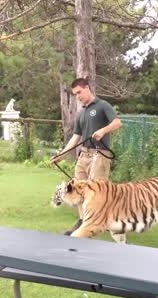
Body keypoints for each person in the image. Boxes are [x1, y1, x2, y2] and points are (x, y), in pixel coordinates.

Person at [50, 77, 122, 235]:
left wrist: (103, 131)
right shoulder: (81, 113)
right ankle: (83, 222)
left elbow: (117, 123)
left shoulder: (103, 106)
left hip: (100, 154)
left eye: (79, 92)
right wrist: (60, 156)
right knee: (78, 190)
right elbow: (75, 138)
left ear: (87, 88)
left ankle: (98, 223)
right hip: (83, 155)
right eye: (75, 94)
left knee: (96, 192)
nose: (78, 96)